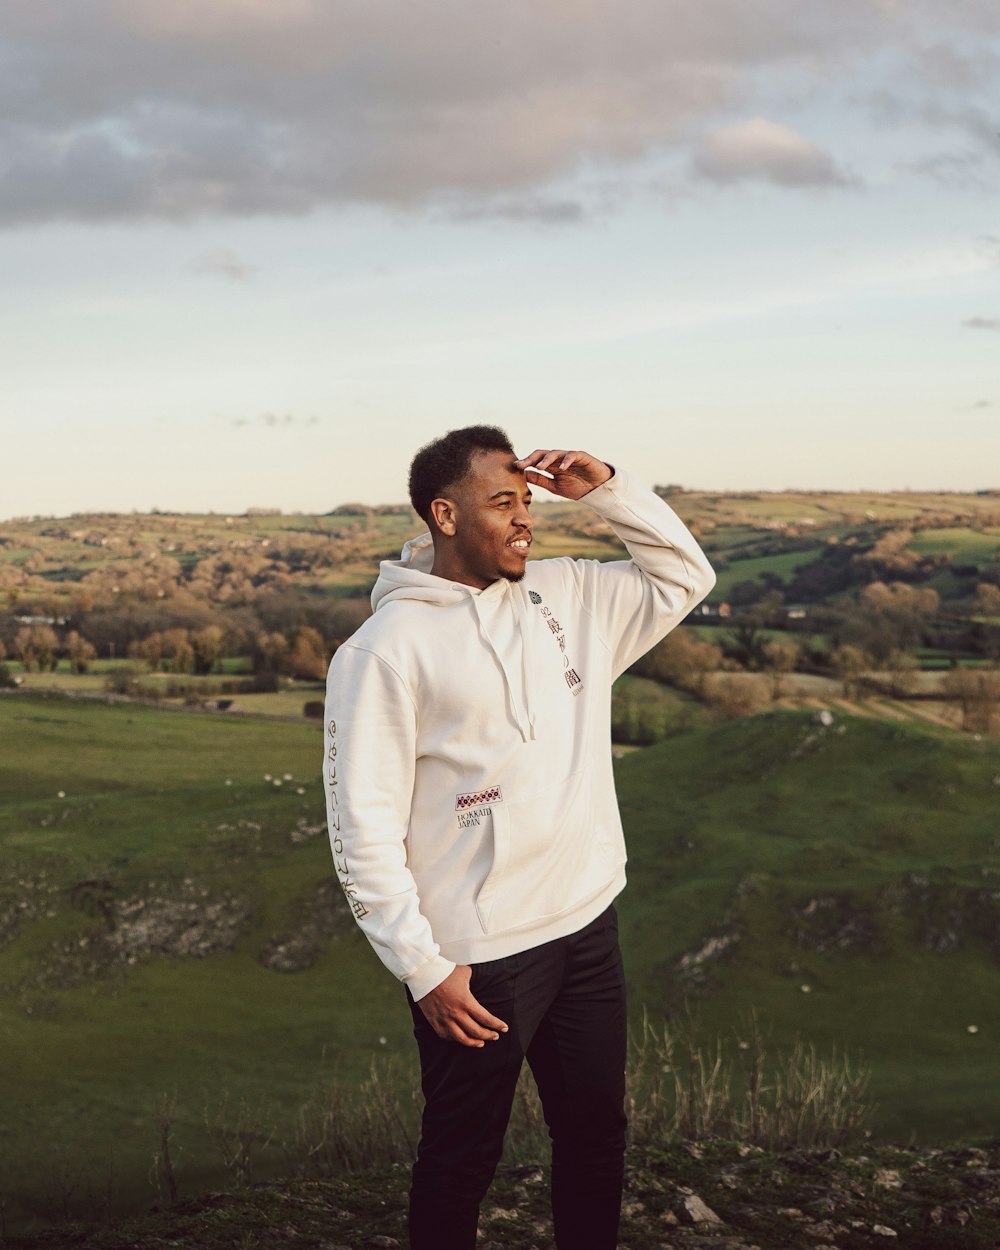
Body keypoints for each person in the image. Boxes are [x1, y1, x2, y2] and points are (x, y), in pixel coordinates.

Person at [323, 425, 715, 1250]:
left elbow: (688, 573)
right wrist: (423, 968)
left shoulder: (571, 594)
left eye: (527, 500)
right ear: (445, 513)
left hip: (587, 921)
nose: (524, 517)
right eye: (502, 501)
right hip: (482, 959)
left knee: (596, 1140)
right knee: (462, 1159)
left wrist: (607, 489)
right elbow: (360, 828)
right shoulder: (383, 653)